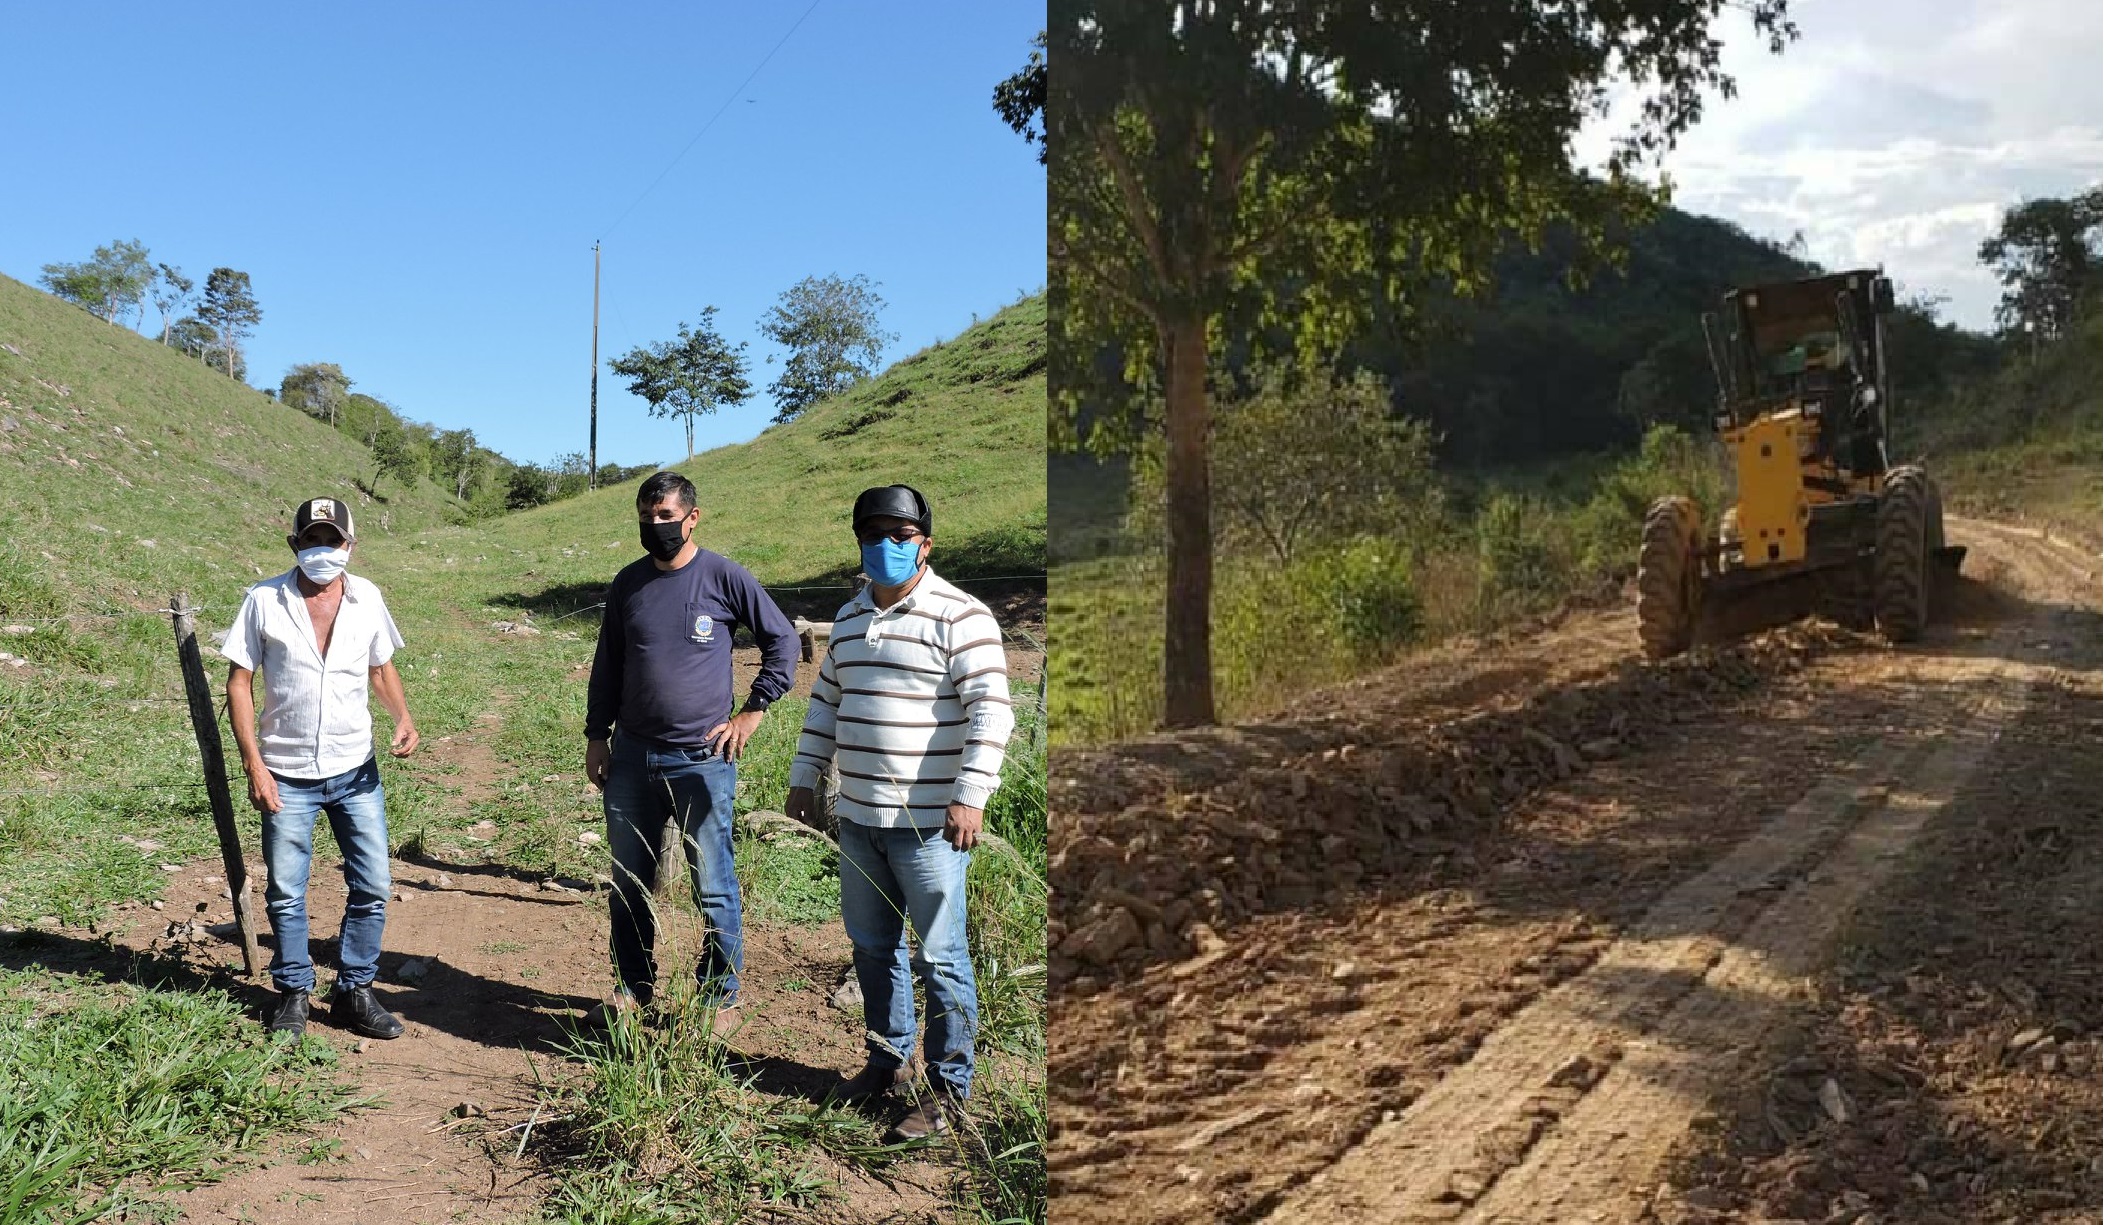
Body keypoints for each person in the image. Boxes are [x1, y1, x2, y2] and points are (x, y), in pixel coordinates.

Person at [786, 484, 1014, 1141]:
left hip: (931, 827)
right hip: (859, 821)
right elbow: (825, 704)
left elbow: (991, 711)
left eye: (901, 534)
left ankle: (949, 1091)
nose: (886, 545)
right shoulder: (851, 618)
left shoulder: (960, 616)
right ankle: (888, 1062)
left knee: (941, 957)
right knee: (872, 946)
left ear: (925, 543)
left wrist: (971, 792)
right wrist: (805, 778)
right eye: (873, 532)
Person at [585, 470, 797, 1024]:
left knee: (714, 882)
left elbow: (783, 640)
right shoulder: (628, 583)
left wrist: (752, 711)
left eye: (665, 517)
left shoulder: (724, 577)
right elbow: (608, 665)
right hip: (631, 756)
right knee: (629, 880)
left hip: (702, 760)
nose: (656, 526)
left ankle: (719, 992)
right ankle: (632, 987)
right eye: (646, 517)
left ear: (692, 517)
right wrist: (596, 735)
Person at [224, 496, 418, 1040]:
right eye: (312, 540)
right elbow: (239, 682)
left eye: (332, 540)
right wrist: (254, 765)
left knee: (374, 883)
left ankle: (355, 988)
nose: (322, 550)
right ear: (295, 545)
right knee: (286, 889)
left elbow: (381, 666)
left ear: (349, 546)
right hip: (284, 771)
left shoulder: (367, 598)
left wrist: (402, 715)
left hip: (355, 769)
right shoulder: (263, 600)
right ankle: (292, 992)